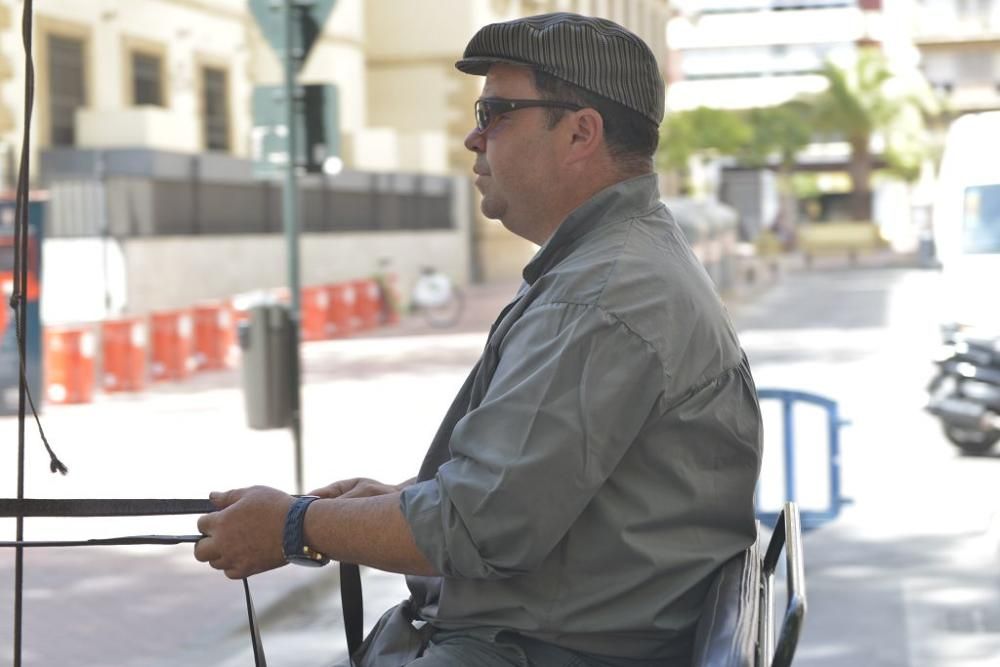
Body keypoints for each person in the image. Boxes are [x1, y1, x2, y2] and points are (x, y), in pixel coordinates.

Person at [195, 12, 762, 666]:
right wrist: (392, 502)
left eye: (496, 113)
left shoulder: (602, 294)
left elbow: (476, 525)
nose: (473, 137)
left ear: (581, 132)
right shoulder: (609, 267)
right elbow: (528, 490)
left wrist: (294, 526)